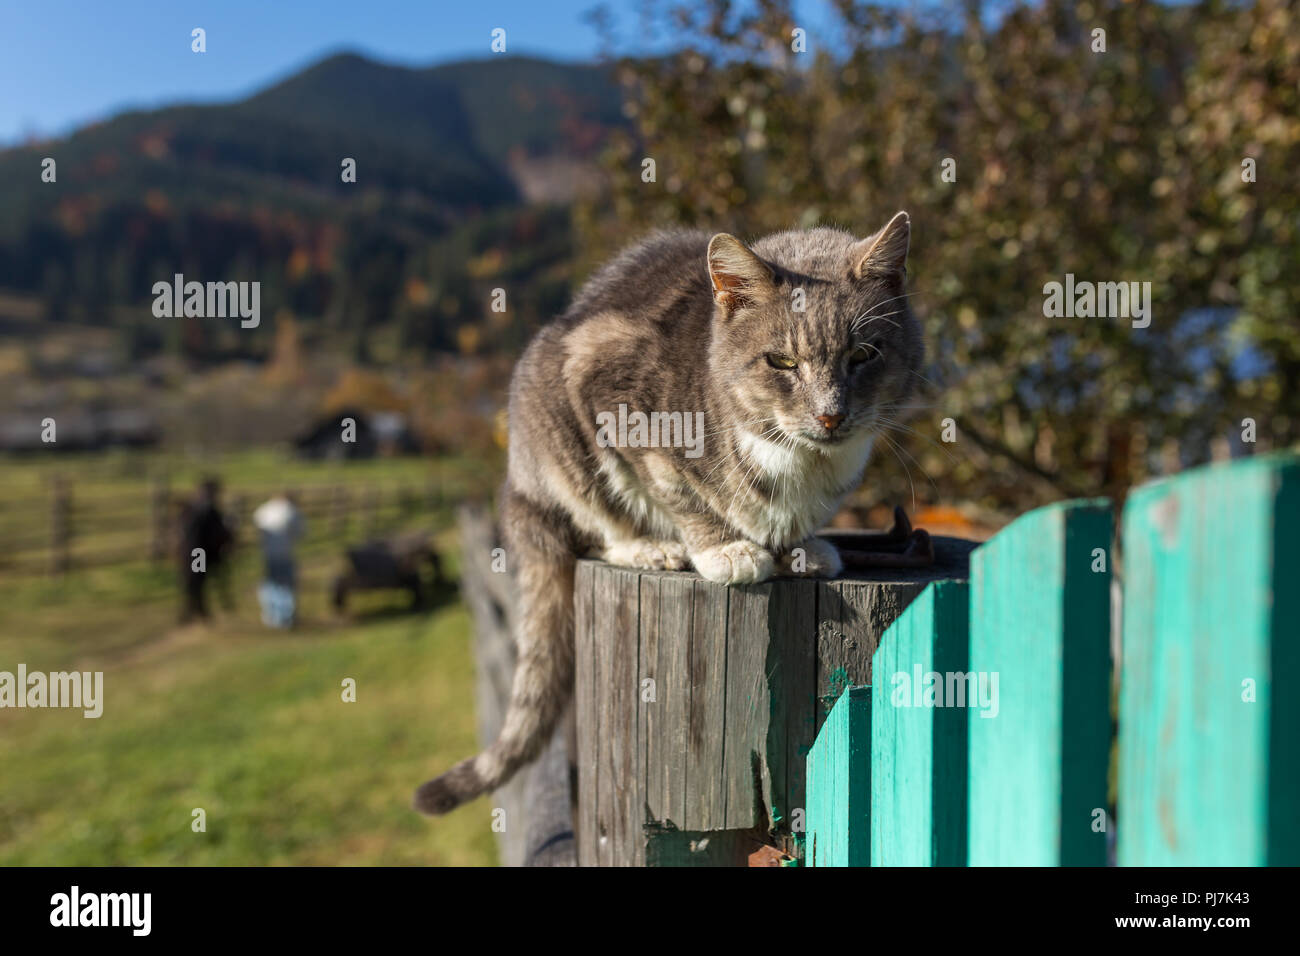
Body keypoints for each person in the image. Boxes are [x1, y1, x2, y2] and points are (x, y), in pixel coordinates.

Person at [178, 477, 234, 624]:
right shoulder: (205, 509)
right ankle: (196, 611)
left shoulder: (193, 508)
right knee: (196, 582)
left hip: (195, 551)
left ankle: (197, 610)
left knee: (196, 581)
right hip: (199, 552)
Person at [253, 491, 305, 628]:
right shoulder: (291, 511)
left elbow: (257, 522)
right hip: (285, 554)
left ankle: (272, 616)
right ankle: (285, 618)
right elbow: (300, 532)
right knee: (286, 586)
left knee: (271, 585)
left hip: (268, 554)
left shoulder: (265, 509)